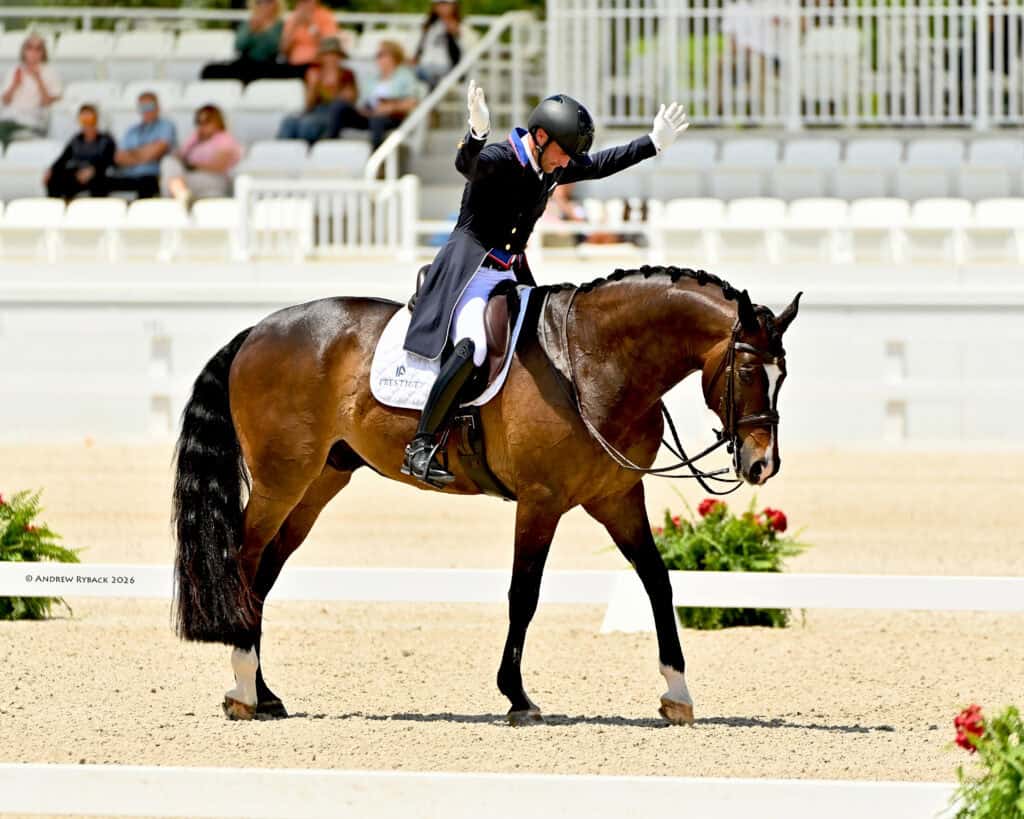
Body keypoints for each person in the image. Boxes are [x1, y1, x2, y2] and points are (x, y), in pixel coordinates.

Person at [400, 82, 689, 486]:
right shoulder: (501, 158)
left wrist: (653, 143)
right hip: (470, 275)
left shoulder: (549, 163)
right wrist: (477, 132)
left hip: (510, 273)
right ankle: (421, 444)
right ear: (539, 138)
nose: (567, 163)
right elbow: (469, 166)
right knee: (473, 347)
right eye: (563, 153)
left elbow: (600, 164)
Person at [326, 40, 419, 150]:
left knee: (378, 119)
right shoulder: (371, 79)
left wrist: (391, 108)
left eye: (381, 55)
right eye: (377, 55)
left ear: (393, 56)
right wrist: (364, 110)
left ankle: (375, 158)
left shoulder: (405, 76)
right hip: (369, 114)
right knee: (339, 106)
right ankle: (330, 145)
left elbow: (412, 102)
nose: (378, 59)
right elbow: (361, 103)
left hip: (392, 117)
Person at [277, 36, 358, 143]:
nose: (331, 58)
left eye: (334, 54)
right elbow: (309, 105)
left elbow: (348, 100)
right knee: (289, 122)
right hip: (315, 111)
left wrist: (332, 88)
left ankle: (305, 154)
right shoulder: (314, 74)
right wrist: (313, 86)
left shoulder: (347, 75)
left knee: (308, 124)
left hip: (333, 115)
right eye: (327, 55)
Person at [160, 104, 242, 204]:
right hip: (191, 176)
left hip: (214, 179)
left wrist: (194, 166)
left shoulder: (224, 139)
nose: (202, 125)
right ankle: (182, 195)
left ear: (218, 122)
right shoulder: (195, 139)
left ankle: (182, 195)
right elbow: (179, 157)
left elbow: (220, 166)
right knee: (168, 162)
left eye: (207, 121)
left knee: (170, 181)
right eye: (198, 122)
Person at [108, 92, 177, 199]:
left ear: (158, 107)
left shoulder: (166, 126)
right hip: (128, 175)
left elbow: (158, 150)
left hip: (152, 176)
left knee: (146, 184)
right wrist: (147, 152)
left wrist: (132, 153)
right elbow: (119, 157)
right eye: (142, 107)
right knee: (99, 182)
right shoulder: (132, 130)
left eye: (149, 106)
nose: (146, 110)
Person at [200, 0, 284, 85]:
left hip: (268, 66)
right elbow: (238, 46)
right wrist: (251, 30)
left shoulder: (280, 25)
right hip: (245, 64)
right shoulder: (248, 24)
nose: (263, 5)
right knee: (209, 70)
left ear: (276, 4)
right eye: (259, 2)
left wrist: (265, 29)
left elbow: (276, 48)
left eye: (268, 2)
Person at [43, 103, 116, 201]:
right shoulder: (76, 140)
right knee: (55, 178)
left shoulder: (106, 140)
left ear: (96, 119)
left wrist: (93, 170)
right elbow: (64, 158)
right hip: (77, 173)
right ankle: (57, 207)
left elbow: (108, 159)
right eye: (83, 118)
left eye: (90, 118)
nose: (87, 122)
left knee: (98, 181)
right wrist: (51, 170)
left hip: (96, 174)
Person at [0, 33, 61, 147]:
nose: (33, 52)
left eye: (38, 49)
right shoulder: (14, 70)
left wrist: (38, 79)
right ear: (24, 51)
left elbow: (47, 103)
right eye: (29, 48)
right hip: (8, 118)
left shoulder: (50, 72)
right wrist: (15, 84)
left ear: (43, 52)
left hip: (32, 121)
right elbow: (5, 101)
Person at [413, 0, 471, 89]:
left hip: (446, 68)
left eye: (445, 3)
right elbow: (419, 50)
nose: (442, 7)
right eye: (439, 4)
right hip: (425, 65)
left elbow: (467, 50)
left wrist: (456, 34)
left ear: (454, 6)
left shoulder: (461, 26)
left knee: (426, 76)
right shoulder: (429, 26)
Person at [279, 0, 339, 80]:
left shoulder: (325, 16)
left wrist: (310, 25)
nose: (304, 3)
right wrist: (294, 26)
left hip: (317, 64)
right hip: (295, 65)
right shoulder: (293, 19)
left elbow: (328, 45)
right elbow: (283, 50)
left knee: (313, 76)